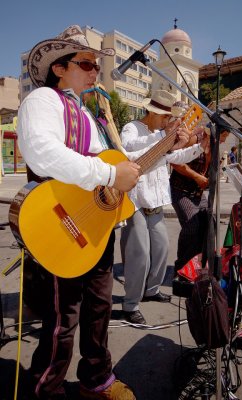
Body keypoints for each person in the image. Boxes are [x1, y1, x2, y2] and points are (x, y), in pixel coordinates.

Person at [17, 26, 193, 400]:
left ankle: (96, 380)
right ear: (60, 68)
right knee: (62, 319)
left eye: (96, 65)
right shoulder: (44, 101)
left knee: (97, 310)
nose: (96, 71)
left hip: (95, 227)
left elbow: (123, 162)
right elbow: (41, 152)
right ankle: (43, 388)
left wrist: (166, 145)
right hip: (58, 221)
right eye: (86, 63)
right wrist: (111, 173)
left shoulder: (88, 113)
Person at [120, 90, 209, 325]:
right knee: (138, 256)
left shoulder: (161, 132)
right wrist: (162, 135)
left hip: (155, 201)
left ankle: (152, 289)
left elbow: (175, 156)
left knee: (161, 249)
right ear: (152, 112)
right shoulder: (132, 128)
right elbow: (128, 149)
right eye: (163, 116)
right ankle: (131, 304)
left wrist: (199, 147)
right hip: (135, 203)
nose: (167, 121)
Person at [170, 129, 230, 272]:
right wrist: (196, 177)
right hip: (181, 191)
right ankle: (182, 268)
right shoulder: (194, 139)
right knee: (192, 226)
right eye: (223, 135)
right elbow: (175, 161)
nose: (224, 140)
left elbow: (208, 171)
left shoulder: (215, 148)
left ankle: (199, 265)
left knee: (209, 224)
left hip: (198, 194)